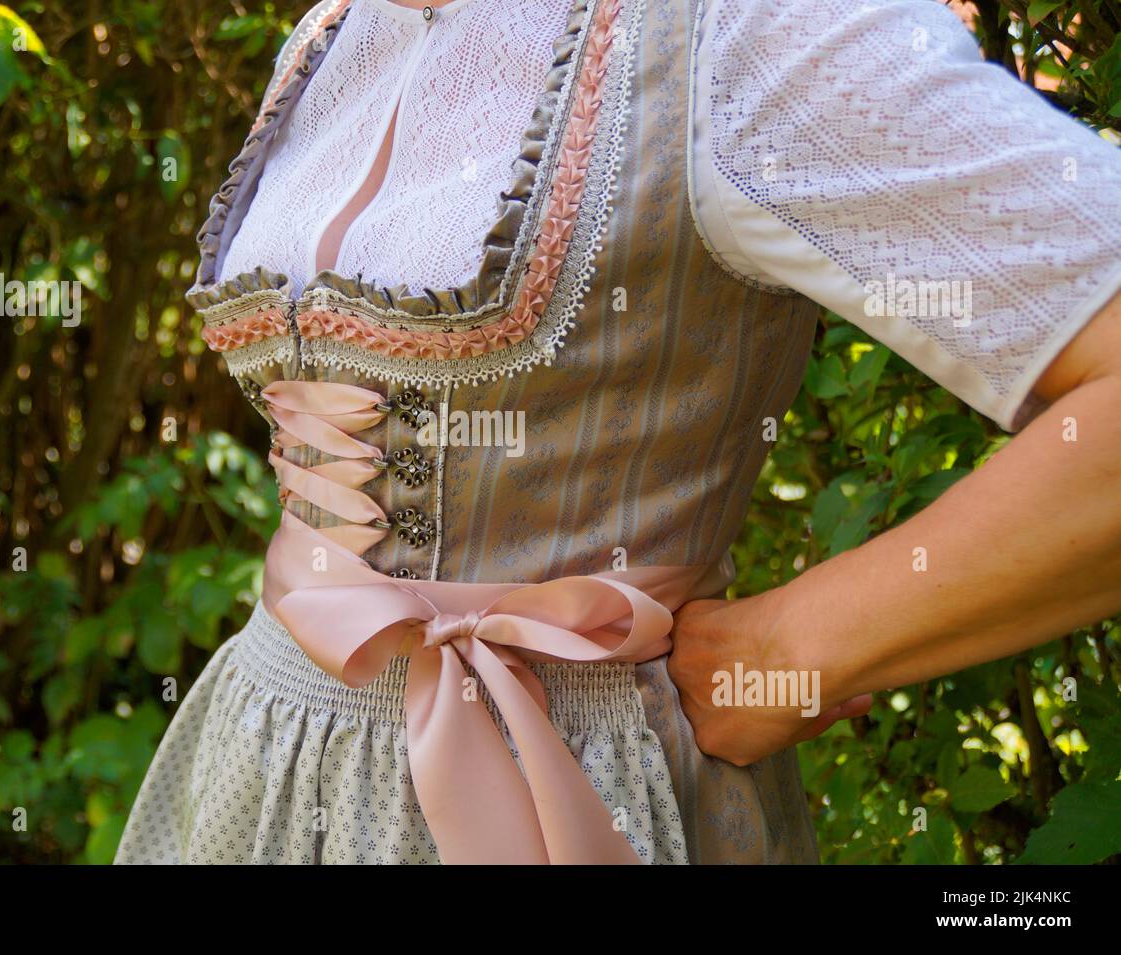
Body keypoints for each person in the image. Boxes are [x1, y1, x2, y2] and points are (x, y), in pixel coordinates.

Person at [115, 0, 1121, 864]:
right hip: (262, 760)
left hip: (580, 793)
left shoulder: (738, 37)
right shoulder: (337, 33)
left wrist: (801, 644)